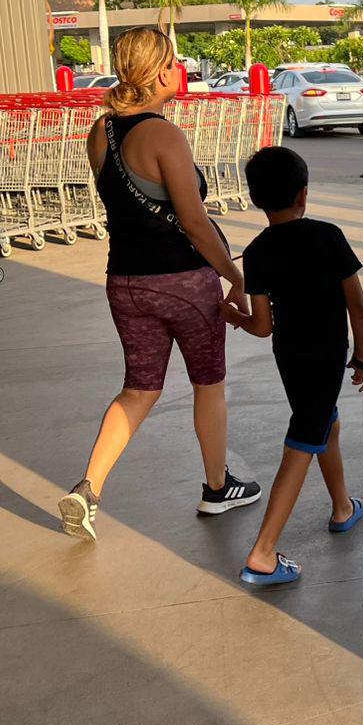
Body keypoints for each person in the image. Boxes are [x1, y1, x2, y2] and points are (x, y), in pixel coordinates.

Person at [59, 27, 261, 540]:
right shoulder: (164, 135)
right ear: (157, 72)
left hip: (125, 281)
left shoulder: (100, 133)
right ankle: (218, 488)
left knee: (139, 388)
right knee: (208, 383)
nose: (181, 69)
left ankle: (89, 488)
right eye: (174, 60)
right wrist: (234, 276)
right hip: (182, 282)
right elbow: (193, 221)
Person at [220, 146, 363, 587]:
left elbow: (262, 326)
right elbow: (358, 304)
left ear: (256, 198)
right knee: (302, 442)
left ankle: (343, 507)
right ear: (303, 194)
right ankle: (263, 553)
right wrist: (362, 357)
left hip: (290, 359)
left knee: (325, 424)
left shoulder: (256, 252)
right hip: (326, 357)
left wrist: (233, 316)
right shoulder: (329, 236)